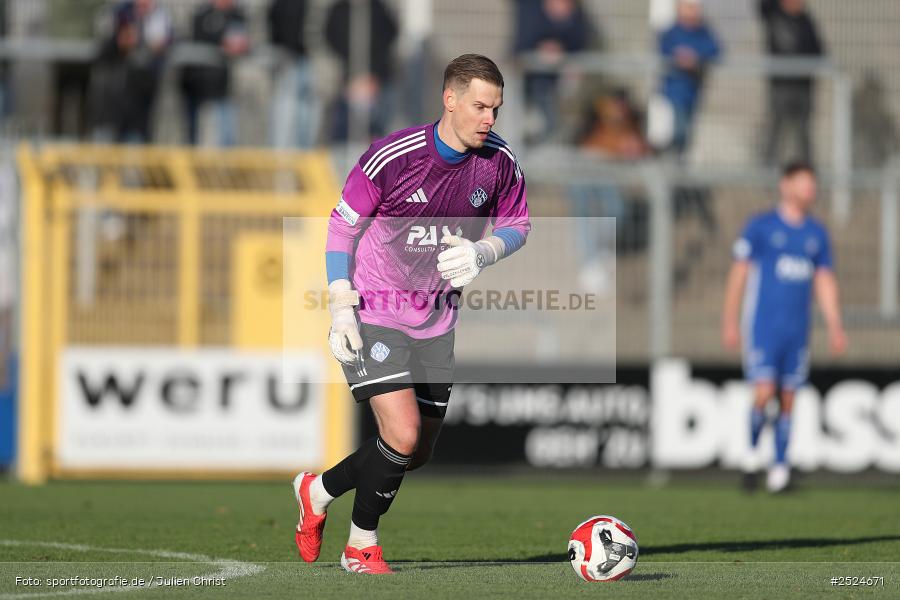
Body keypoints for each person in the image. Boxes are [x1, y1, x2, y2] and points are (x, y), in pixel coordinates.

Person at [292, 54, 530, 574]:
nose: (490, 119)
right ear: (450, 100)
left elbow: (518, 224)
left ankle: (318, 489)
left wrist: (484, 252)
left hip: (438, 319)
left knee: (415, 450)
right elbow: (342, 225)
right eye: (480, 106)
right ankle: (361, 546)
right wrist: (340, 302)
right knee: (399, 436)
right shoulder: (395, 156)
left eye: (496, 108)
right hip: (375, 309)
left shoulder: (500, 161)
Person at [721, 161, 847, 493]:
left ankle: (779, 471)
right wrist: (730, 320)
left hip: (798, 329)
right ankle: (750, 458)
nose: (810, 190)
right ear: (785, 185)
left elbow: (825, 281)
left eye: (813, 184)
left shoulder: (816, 234)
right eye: (804, 183)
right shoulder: (761, 227)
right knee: (763, 392)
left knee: (790, 397)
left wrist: (835, 325)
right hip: (763, 326)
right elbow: (739, 274)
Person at [90, 0, 172, 143]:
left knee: (134, 140)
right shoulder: (119, 13)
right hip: (110, 105)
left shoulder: (159, 16)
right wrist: (119, 41)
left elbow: (161, 53)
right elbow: (102, 54)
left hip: (138, 106)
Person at [513, 0, 591, 144]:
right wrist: (541, 50)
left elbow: (579, 45)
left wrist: (562, 54)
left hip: (553, 83)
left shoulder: (576, 17)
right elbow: (522, 45)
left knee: (551, 124)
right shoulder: (529, 8)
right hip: (525, 78)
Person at [759, 0, 824, 165]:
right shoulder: (774, 15)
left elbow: (819, 51)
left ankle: (806, 171)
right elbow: (762, 6)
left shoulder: (806, 21)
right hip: (781, 87)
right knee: (776, 129)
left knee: (803, 133)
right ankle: (767, 171)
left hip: (803, 87)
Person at [325, 0, 398, 141]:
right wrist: (353, 76)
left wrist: (371, 75)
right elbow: (331, 38)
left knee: (376, 127)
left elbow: (388, 38)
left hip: (377, 79)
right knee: (346, 126)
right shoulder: (339, 10)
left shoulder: (378, 9)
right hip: (350, 78)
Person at [180, 0, 249, 146]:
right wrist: (221, 44)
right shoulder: (203, 16)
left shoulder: (237, 15)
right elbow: (199, 41)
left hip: (226, 89)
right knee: (205, 137)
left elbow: (243, 43)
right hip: (203, 91)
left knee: (226, 137)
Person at [657, 0, 720, 157]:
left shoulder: (703, 31)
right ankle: (669, 158)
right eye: (689, 8)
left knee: (687, 132)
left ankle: (677, 163)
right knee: (681, 130)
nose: (692, 12)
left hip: (694, 89)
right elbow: (664, 50)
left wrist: (696, 57)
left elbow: (715, 50)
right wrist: (678, 56)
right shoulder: (672, 32)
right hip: (676, 90)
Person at [268, 0, 319, 149]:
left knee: (305, 109)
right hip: (285, 60)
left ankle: (303, 150)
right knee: (284, 109)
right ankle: (281, 153)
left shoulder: (305, 5)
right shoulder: (279, 5)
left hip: (303, 59)